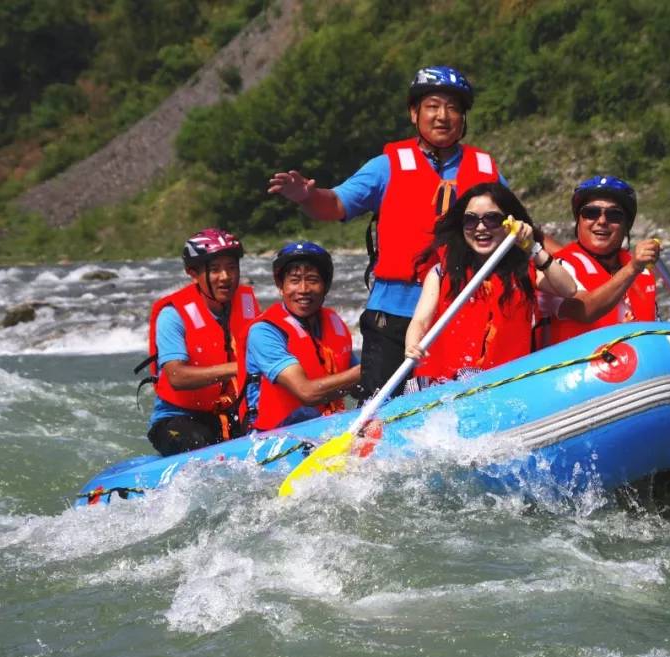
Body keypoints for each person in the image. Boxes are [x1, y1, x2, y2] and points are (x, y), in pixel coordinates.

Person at [268, 65, 506, 400]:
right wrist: (307, 196)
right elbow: (335, 204)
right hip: (393, 315)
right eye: (433, 106)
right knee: (381, 410)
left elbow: (517, 228)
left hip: (460, 311)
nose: (443, 116)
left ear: (463, 117)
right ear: (414, 113)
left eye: (453, 108)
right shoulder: (388, 165)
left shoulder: (485, 169)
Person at [403, 183, 576, 385]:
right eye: (470, 220)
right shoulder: (441, 273)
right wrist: (412, 345)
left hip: (503, 384)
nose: (481, 227)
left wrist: (534, 248)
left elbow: (568, 289)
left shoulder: (525, 271)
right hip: (445, 385)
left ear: (509, 223)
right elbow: (420, 321)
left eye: (492, 219)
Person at [142, 228, 260, 456]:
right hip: (179, 418)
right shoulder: (172, 315)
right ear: (193, 273)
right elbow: (177, 377)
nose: (226, 277)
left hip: (234, 411)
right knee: (199, 443)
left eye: (232, 267)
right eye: (215, 269)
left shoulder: (246, 303)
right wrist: (239, 368)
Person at [244, 241, 361, 431]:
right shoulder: (264, 331)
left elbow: (359, 385)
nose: (304, 289)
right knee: (307, 414)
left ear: (326, 286)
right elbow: (306, 393)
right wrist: (364, 371)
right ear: (281, 286)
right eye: (295, 280)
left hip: (326, 428)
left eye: (313, 280)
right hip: (272, 437)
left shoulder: (335, 323)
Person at [539, 176, 661, 347]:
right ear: (578, 221)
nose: (602, 221)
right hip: (576, 369)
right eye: (591, 213)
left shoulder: (644, 272)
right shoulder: (559, 268)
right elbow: (584, 310)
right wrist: (633, 268)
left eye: (614, 215)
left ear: (626, 225)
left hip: (638, 367)